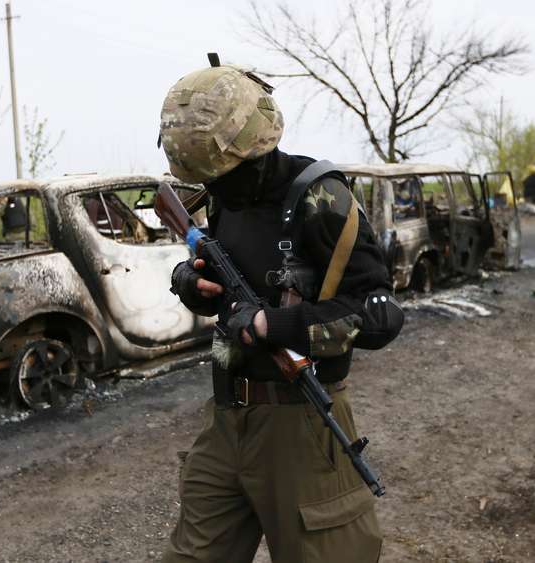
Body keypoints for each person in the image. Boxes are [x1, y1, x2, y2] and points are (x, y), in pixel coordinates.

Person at [158, 59, 403, 562]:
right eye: (207, 177)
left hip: (301, 424)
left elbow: (377, 315)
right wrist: (189, 282)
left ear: (257, 146)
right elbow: (220, 274)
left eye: (223, 173)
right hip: (226, 417)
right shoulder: (227, 197)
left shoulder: (321, 197)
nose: (215, 188)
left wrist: (275, 324)